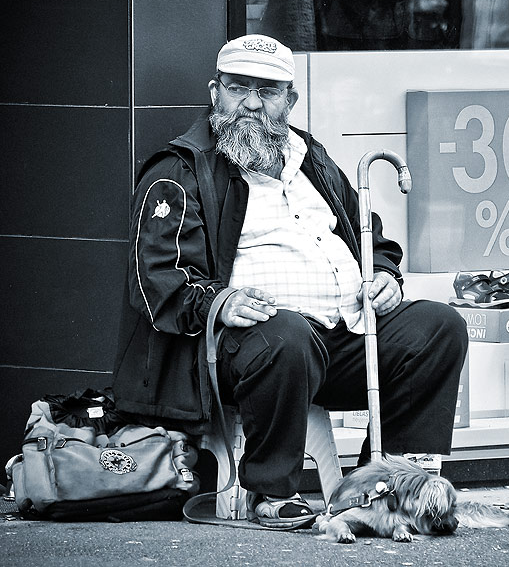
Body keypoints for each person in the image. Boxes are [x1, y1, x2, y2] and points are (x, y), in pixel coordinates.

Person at [113, 34, 468, 530]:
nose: (253, 104)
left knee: (439, 325)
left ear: (290, 101)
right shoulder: (180, 171)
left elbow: (373, 238)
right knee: (286, 335)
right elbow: (156, 281)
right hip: (244, 350)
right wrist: (220, 301)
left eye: (269, 91)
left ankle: (389, 488)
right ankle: (269, 491)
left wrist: (385, 274)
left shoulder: (311, 159)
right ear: (216, 93)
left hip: (341, 337)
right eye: (239, 89)